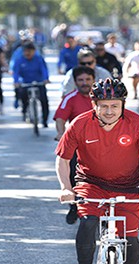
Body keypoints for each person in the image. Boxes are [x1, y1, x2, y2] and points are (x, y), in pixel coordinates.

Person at [55, 79, 139, 264]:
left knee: (130, 237)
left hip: (127, 186)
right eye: (103, 105)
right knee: (88, 223)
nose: (109, 111)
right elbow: (63, 159)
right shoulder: (79, 124)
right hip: (90, 183)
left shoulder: (137, 123)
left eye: (114, 105)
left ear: (123, 105)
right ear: (94, 104)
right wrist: (66, 187)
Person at [54, 66, 95, 225]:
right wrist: (61, 133)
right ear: (75, 82)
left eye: (87, 79)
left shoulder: (103, 98)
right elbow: (60, 118)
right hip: (78, 145)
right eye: (80, 80)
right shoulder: (70, 98)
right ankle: (74, 205)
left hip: (103, 144)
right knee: (72, 172)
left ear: (93, 79)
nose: (84, 83)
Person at [13, 42, 50, 128]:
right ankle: (24, 111)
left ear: (34, 51)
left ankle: (44, 120)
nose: (28, 53)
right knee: (23, 96)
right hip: (26, 83)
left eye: (30, 51)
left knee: (44, 100)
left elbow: (44, 70)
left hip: (39, 82)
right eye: (26, 51)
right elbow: (16, 73)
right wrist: (16, 81)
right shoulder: (19, 60)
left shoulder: (39, 59)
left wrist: (46, 79)